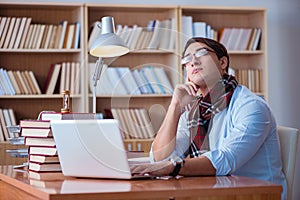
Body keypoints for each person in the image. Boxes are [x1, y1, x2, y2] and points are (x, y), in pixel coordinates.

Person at [130, 37, 287, 199]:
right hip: (213, 193)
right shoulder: (193, 111)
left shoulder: (251, 106)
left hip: (256, 195)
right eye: (187, 59)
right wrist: (175, 107)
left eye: (201, 53)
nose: (193, 61)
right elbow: (161, 158)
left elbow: (225, 159)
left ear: (223, 62)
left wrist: (172, 167)